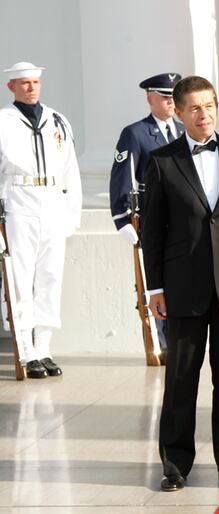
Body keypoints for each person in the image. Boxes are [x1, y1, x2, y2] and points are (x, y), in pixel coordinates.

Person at [140, 76, 219, 492]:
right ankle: (174, 464)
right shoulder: (161, 161)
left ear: (217, 106)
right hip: (181, 289)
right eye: (193, 108)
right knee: (181, 379)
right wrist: (154, 288)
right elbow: (153, 233)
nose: (203, 115)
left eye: (209, 106)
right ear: (178, 113)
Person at [0, 62, 82, 379]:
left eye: (35, 82)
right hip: (18, 201)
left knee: (50, 277)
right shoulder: (4, 121)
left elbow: (70, 171)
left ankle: (44, 347)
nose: (31, 88)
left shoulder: (57, 120)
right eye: (24, 83)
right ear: (12, 87)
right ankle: (24, 349)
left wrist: (71, 214)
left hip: (51, 200)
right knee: (19, 279)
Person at [109, 72, 184, 356]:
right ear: (149, 98)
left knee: (177, 278)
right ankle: (159, 342)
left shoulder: (182, 130)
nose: (170, 103)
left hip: (179, 218)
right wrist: (122, 217)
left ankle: (175, 339)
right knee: (152, 281)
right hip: (151, 216)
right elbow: (123, 175)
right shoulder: (135, 133)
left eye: (173, 98)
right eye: (165, 98)